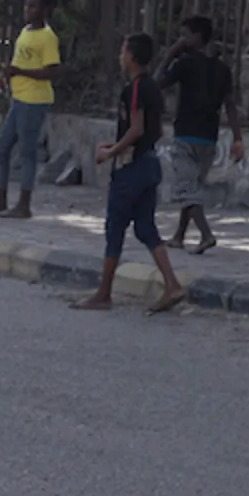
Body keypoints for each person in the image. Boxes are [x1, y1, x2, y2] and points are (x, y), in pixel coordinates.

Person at [72, 32, 185, 314]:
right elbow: (152, 131)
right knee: (146, 227)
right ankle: (171, 284)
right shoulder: (152, 88)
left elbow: (136, 129)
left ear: (132, 57)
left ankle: (103, 293)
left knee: (115, 228)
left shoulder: (134, 89)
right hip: (149, 164)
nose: (120, 57)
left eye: (123, 52)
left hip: (131, 168)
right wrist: (117, 144)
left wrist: (111, 152)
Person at [157, 16, 244, 252]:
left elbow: (157, 83)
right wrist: (237, 138)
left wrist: (169, 55)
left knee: (187, 189)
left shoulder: (185, 63)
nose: (181, 40)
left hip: (186, 135)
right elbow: (230, 104)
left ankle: (206, 235)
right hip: (209, 138)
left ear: (197, 37)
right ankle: (179, 236)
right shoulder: (222, 69)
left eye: (185, 35)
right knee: (193, 188)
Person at [0, 0, 60, 220]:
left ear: (45, 9)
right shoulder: (25, 31)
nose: (28, 9)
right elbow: (18, 63)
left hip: (34, 100)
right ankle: (0, 201)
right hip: (19, 97)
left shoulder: (47, 37)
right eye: (26, 5)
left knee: (26, 152)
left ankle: (24, 205)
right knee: (1, 148)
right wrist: (7, 77)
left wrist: (21, 71)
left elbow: (52, 71)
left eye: (33, 6)